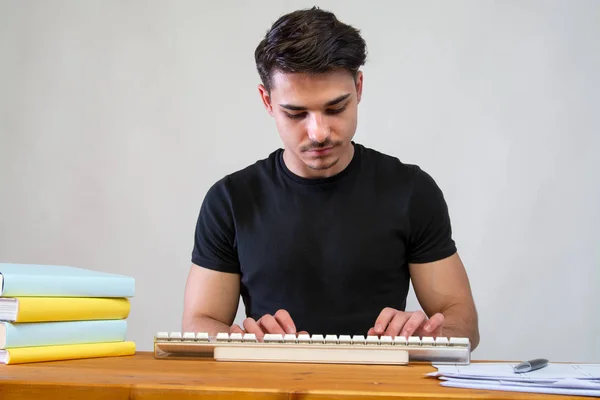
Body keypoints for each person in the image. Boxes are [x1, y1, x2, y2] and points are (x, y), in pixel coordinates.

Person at [182, 6, 480, 350]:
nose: (319, 132)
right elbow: (198, 323)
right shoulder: (231, 200)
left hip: (378, 388)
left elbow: (464, 327)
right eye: (296, 113)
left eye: (335, 108)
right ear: (267, 101)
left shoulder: (411, 191)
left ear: (359, 88)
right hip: (271, 385)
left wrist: (427, 335)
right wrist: (246, 339)